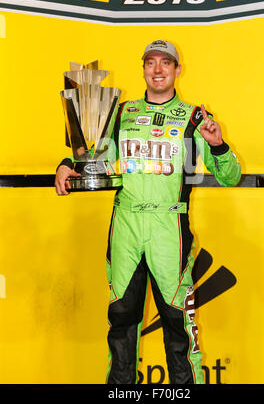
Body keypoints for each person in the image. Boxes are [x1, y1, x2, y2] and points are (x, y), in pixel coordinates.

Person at [55, 40, 241, 384]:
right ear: (142, 68)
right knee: (121, 318)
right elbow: (94, 154)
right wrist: (68, 164)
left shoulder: (193, 117)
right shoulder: (119, 112)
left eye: (165, 63)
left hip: (169, 226)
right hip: (126, 224)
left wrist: (217, 144)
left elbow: (230, 176)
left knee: (176, 322)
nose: (157, 69)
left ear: (177, 70)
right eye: (151, 63)